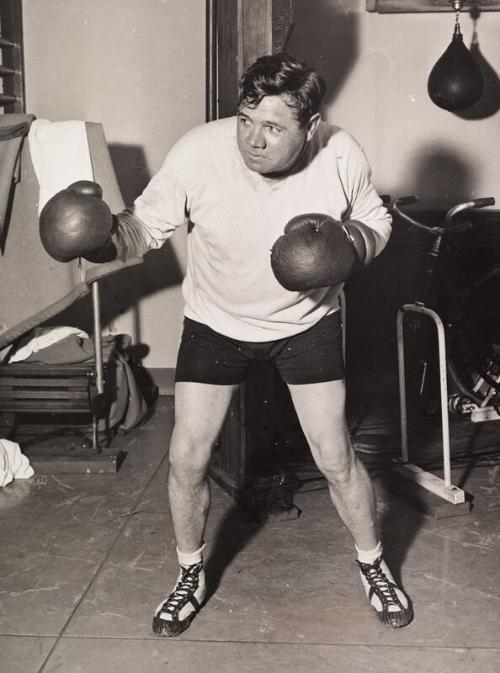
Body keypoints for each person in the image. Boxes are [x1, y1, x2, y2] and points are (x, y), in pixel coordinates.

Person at [40, 53, 413, 635]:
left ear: (309, 128)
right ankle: (189, 573)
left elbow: (376, 218)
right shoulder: (198, 151)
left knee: (336, 457)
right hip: (216, 323)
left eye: (273, 127)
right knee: (187, 457)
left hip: (305, 323)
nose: (253, 140)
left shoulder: (339, 151)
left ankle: (373, 564)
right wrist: (102, 234)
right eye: (245, 119)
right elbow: (145, 227)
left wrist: (350, 246)